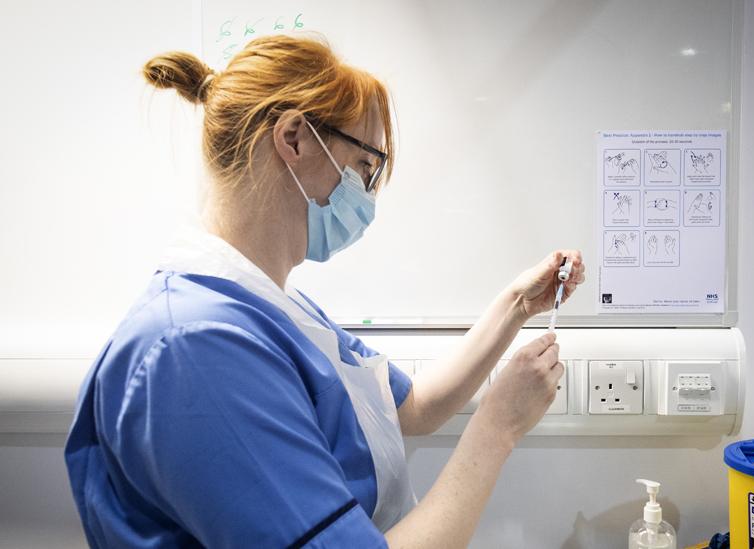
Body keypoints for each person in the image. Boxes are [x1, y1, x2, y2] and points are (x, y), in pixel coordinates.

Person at [64, 34, 586, 549]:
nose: (368, 193)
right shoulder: (195, 348)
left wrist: (518, 305)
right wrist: (497, 428)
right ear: (293, 139)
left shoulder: (268, 305)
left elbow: (412, 408)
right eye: (365, 166)